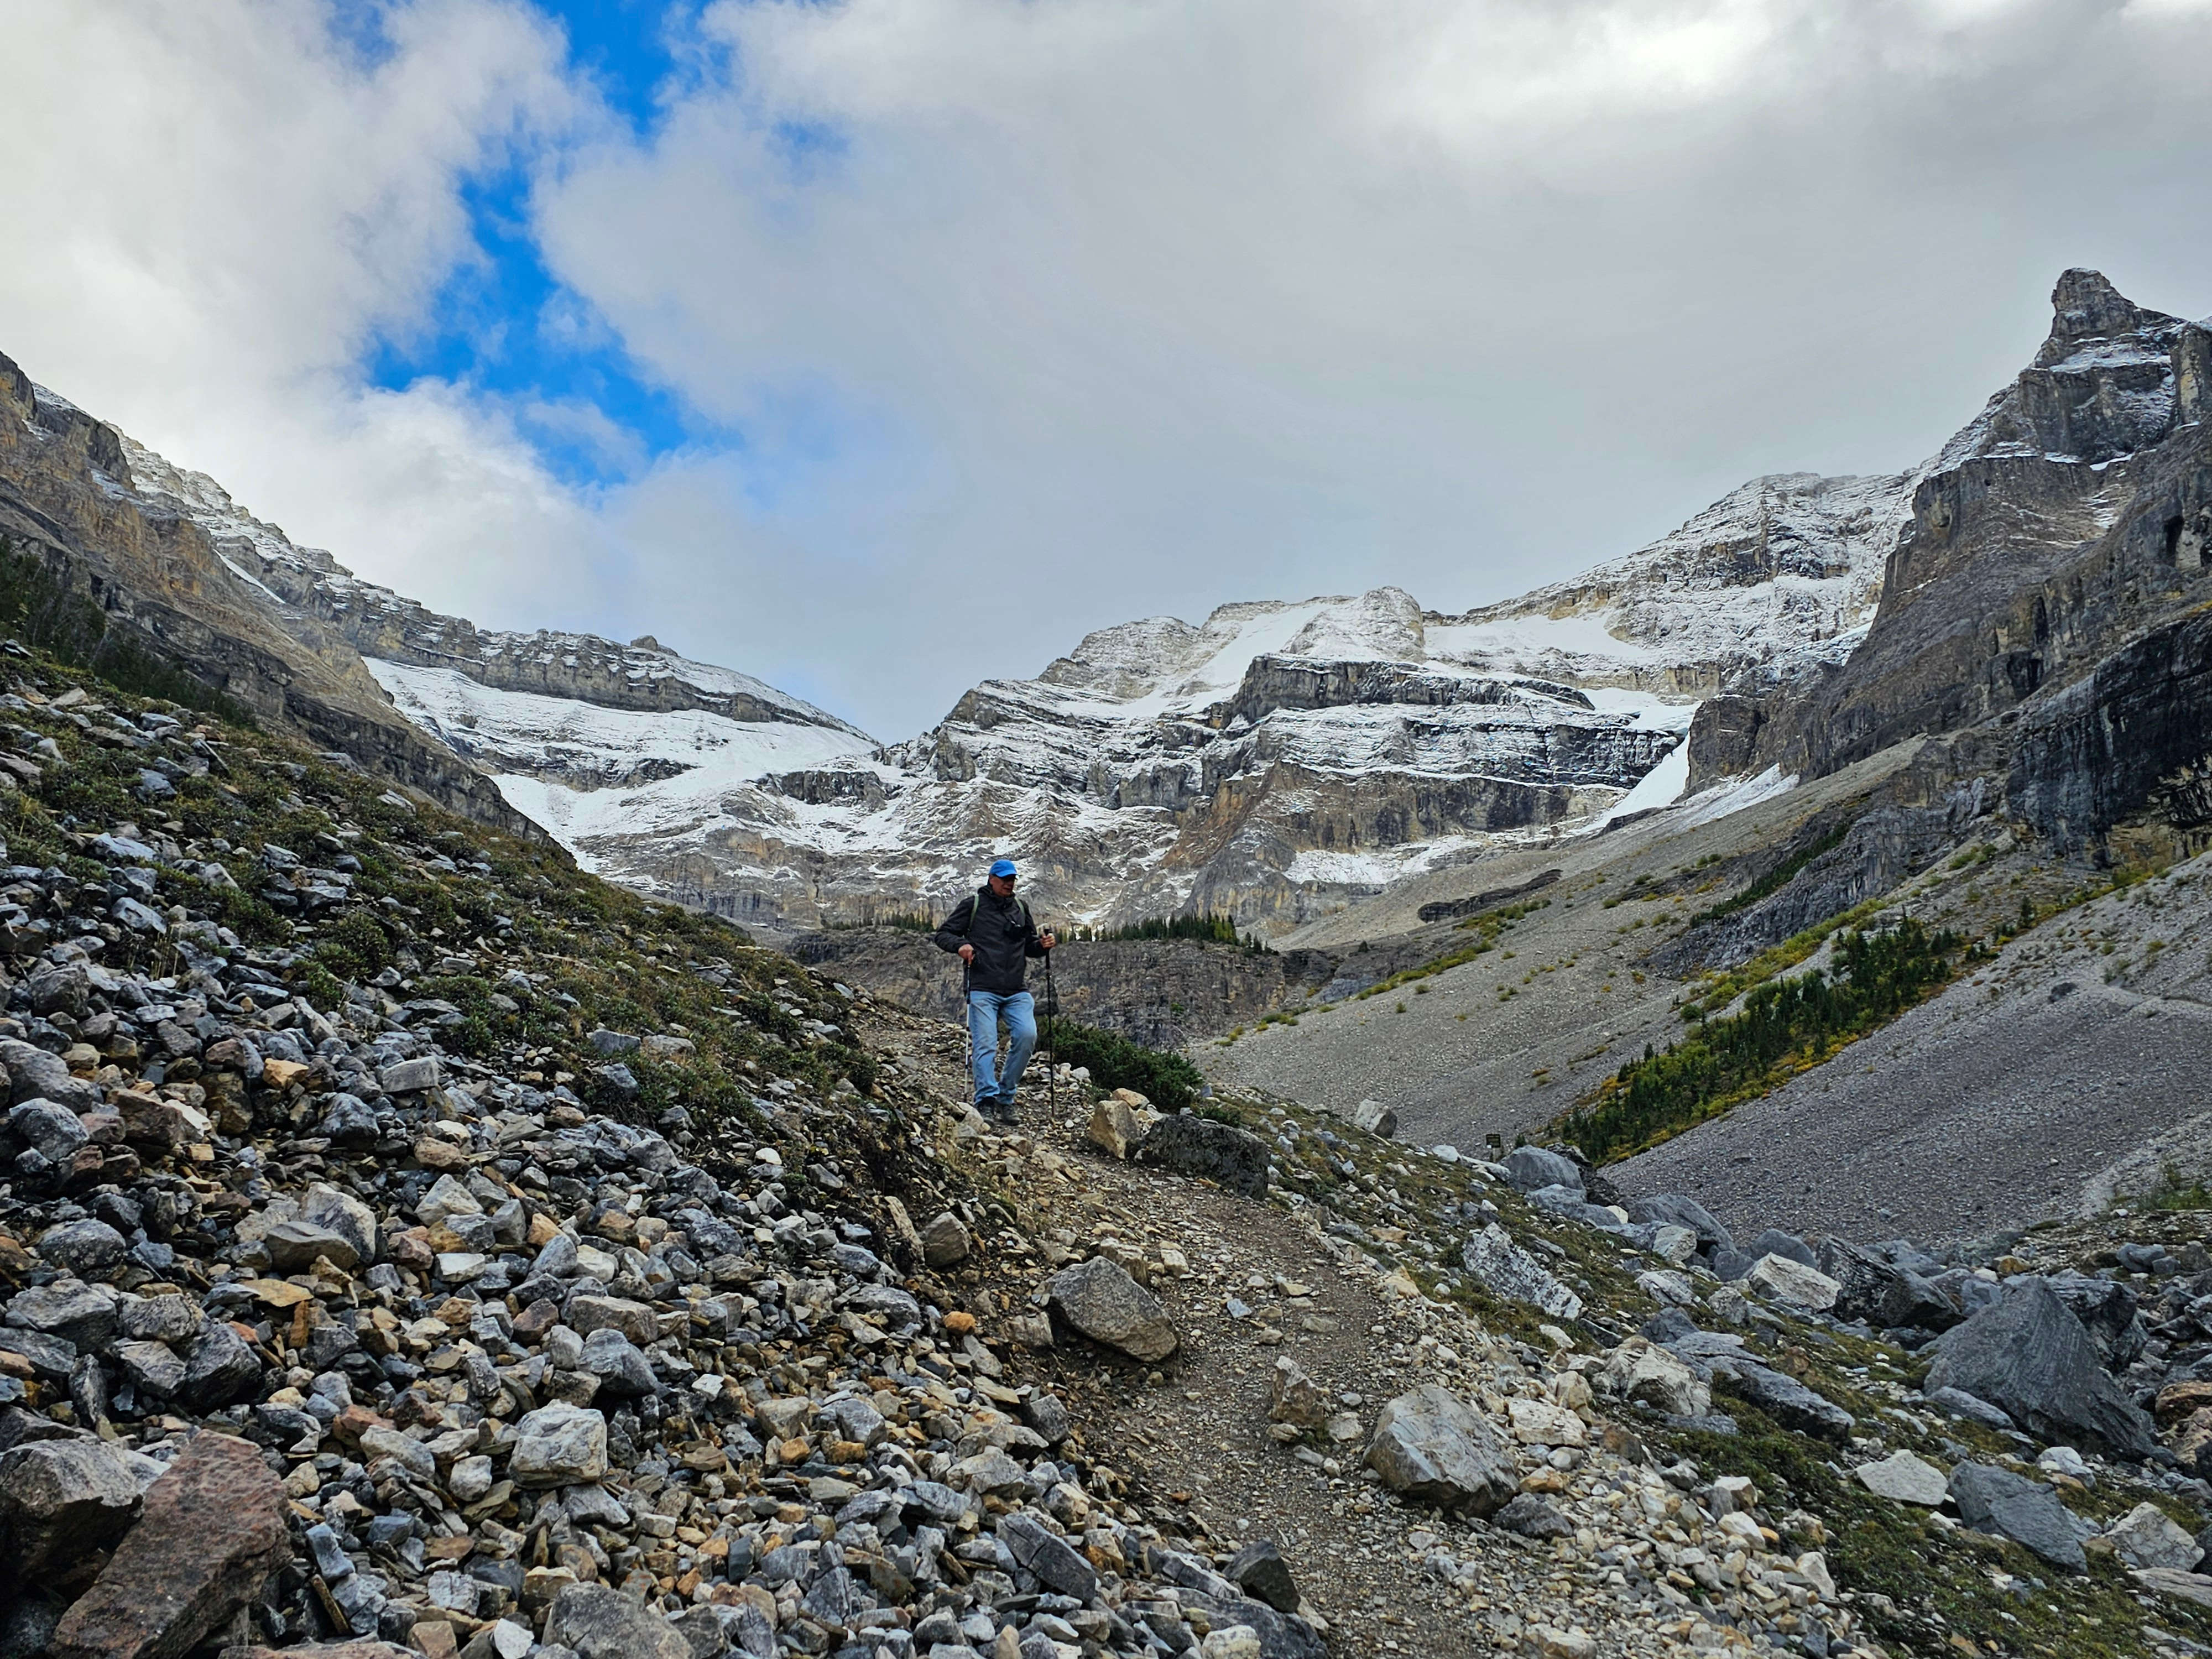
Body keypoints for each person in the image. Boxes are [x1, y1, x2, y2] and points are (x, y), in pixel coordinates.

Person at [933, 857, 1056, 1121]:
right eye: (1004, 879)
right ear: (992, 879)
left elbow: (1030, 946)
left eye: (1012, 879)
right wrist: (961, 946)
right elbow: (942, 935)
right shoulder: (973, 905)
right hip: (982, 987)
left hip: (1016, 989)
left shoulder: (1021, 909)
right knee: (986, 1043)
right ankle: (986, 1099)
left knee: (1027, 1036)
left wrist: (1043, 945)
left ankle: (1006, 1096)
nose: (1009, 884)